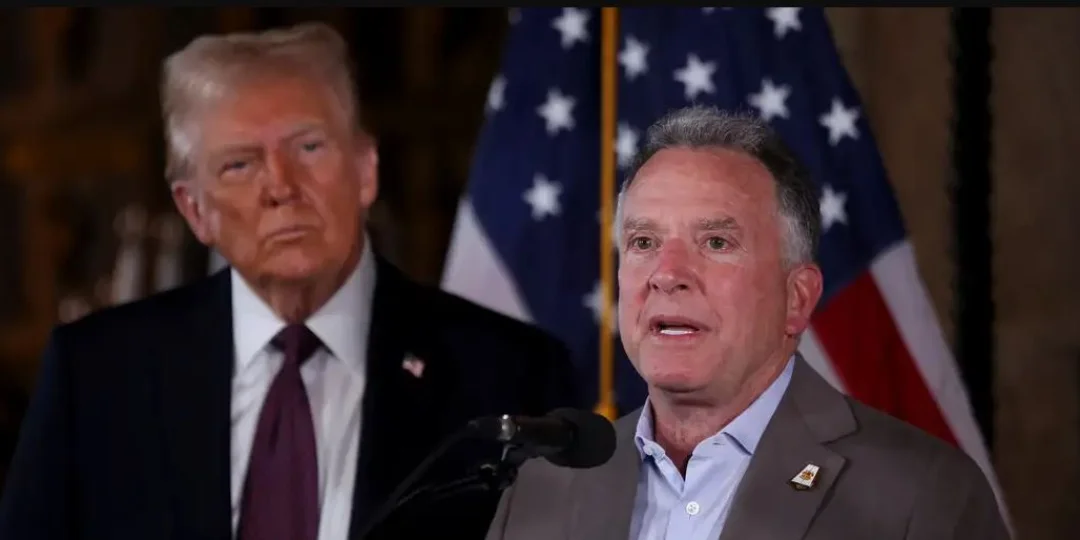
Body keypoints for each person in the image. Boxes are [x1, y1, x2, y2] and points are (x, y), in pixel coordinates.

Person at [0, 23, 581, 540]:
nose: (280, 186)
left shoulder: (510, 375)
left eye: (309, 147)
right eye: (239, 164)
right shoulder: (98, 377)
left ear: (365, 170)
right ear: (195, 209)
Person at [484, 106, 1010, 540]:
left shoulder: (921, 496)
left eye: (716, 242)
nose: (667, 274)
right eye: (644, 242)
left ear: (797, 298)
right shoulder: (543, 489)